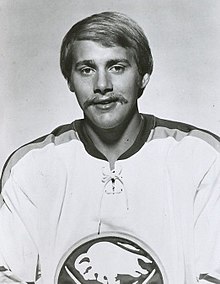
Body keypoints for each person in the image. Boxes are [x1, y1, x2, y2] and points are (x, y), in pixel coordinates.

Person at [0, 11, 220, 284]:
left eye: (117, 67)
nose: (102, 85)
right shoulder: (31, 167)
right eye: (86, 69)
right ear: (69, 80)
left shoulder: (201, 156)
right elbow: (9, 278)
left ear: (143, 76)